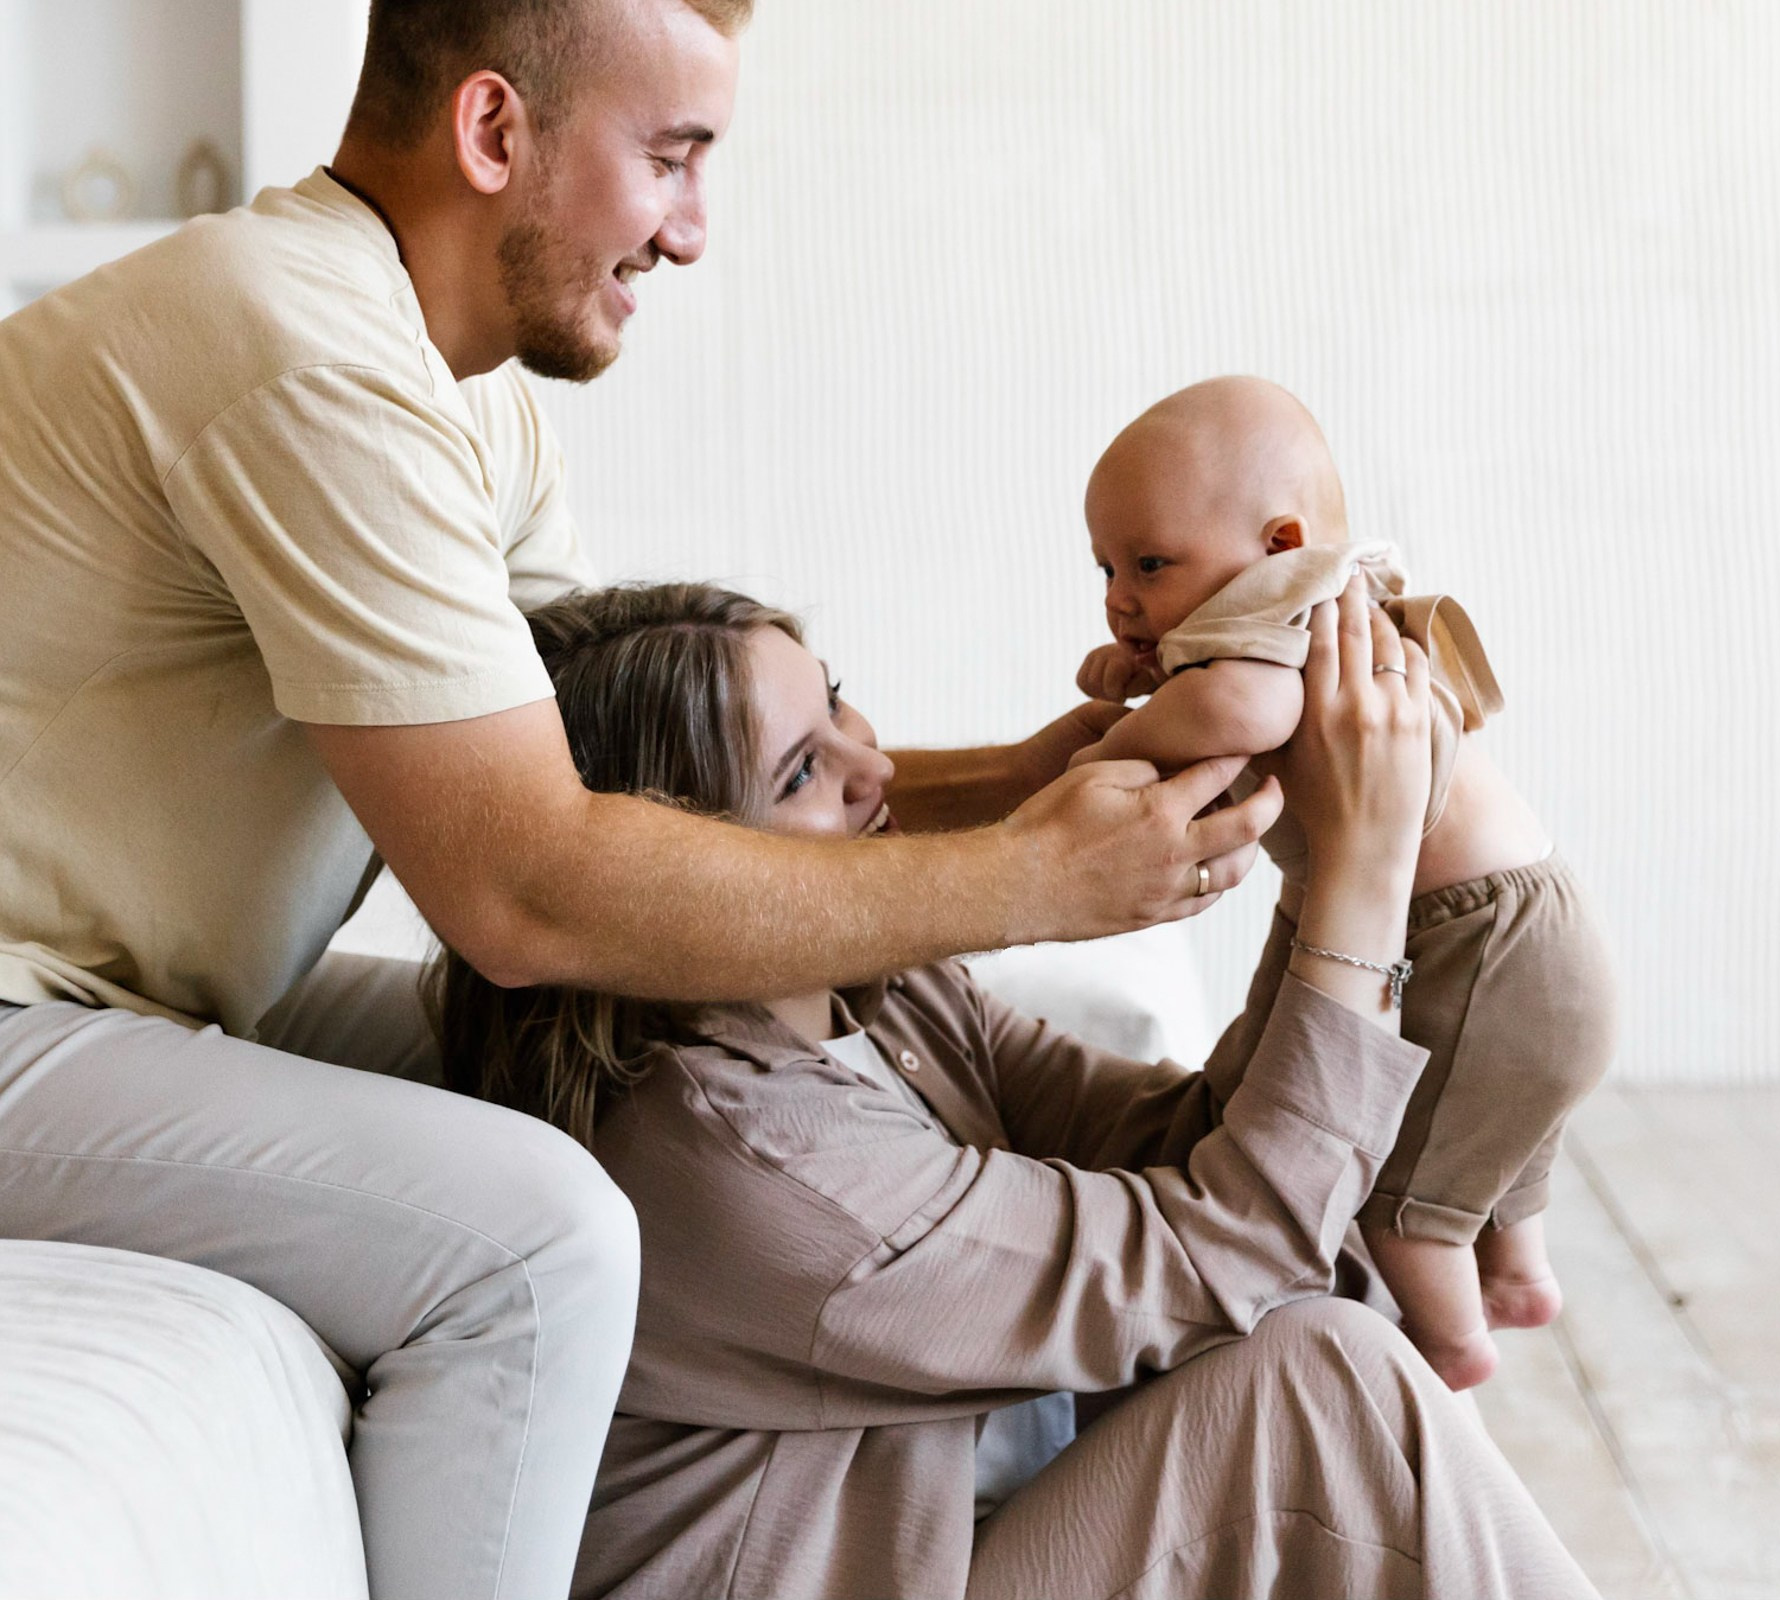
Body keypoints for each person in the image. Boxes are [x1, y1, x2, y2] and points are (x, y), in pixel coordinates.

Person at [0, 3, 1269, 1596]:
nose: (690, 230)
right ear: (491, 133)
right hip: (21, 1013)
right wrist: (1032, 878)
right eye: (670, 159)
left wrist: (1040, 778)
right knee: (543, 1235)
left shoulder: (456, 390)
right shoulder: (302, 357)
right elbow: (530, 892)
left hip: (119, 996)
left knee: (653, 1068)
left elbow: (641, 791)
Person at [432, 576, 1600, 1599]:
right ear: (687, 870)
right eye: (802, 771)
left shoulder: (878, 1002)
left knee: (1323, 1336)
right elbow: (1233, 1250)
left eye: (836, 703)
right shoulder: (742, 1160)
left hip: (964, 1544)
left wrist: (1310, 841)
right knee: (1319, 1381)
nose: (876, 769)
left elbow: (1194, 1153)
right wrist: (1365, 867)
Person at [1071, 375, 1617, 1390]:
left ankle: (1451, 1342)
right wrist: (1151, 662)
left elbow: (1232, 709)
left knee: (1394, 1186)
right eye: (1106, 565)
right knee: (1484, 1122)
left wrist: (1114, 741)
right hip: (1533, 925)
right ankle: (1519, 1263)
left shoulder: (1273, 625)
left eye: (1149, 562)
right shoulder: (1316, 599)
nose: (1120, 593)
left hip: (1470, 940)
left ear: (1279, 545)